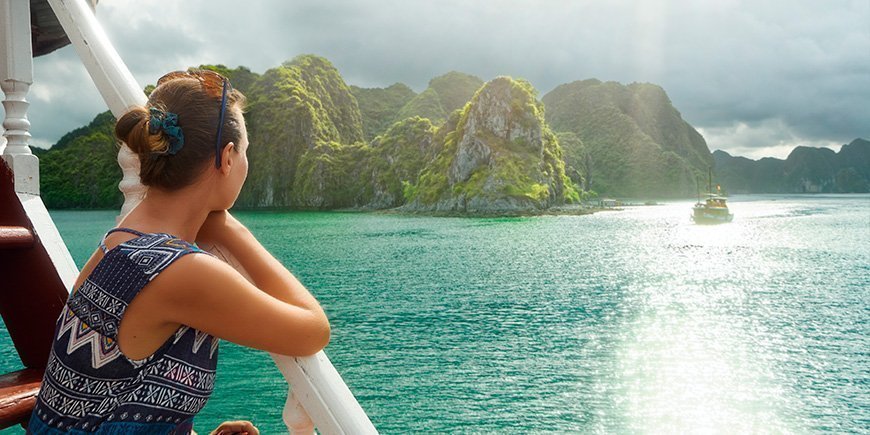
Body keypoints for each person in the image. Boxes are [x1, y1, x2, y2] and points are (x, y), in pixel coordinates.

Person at [27, 70, 330, 434]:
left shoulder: (118, 241)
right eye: (246, 152)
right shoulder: (176, 270)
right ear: (228, 157)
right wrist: (232, 230)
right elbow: (313, 330)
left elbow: (105, 397)